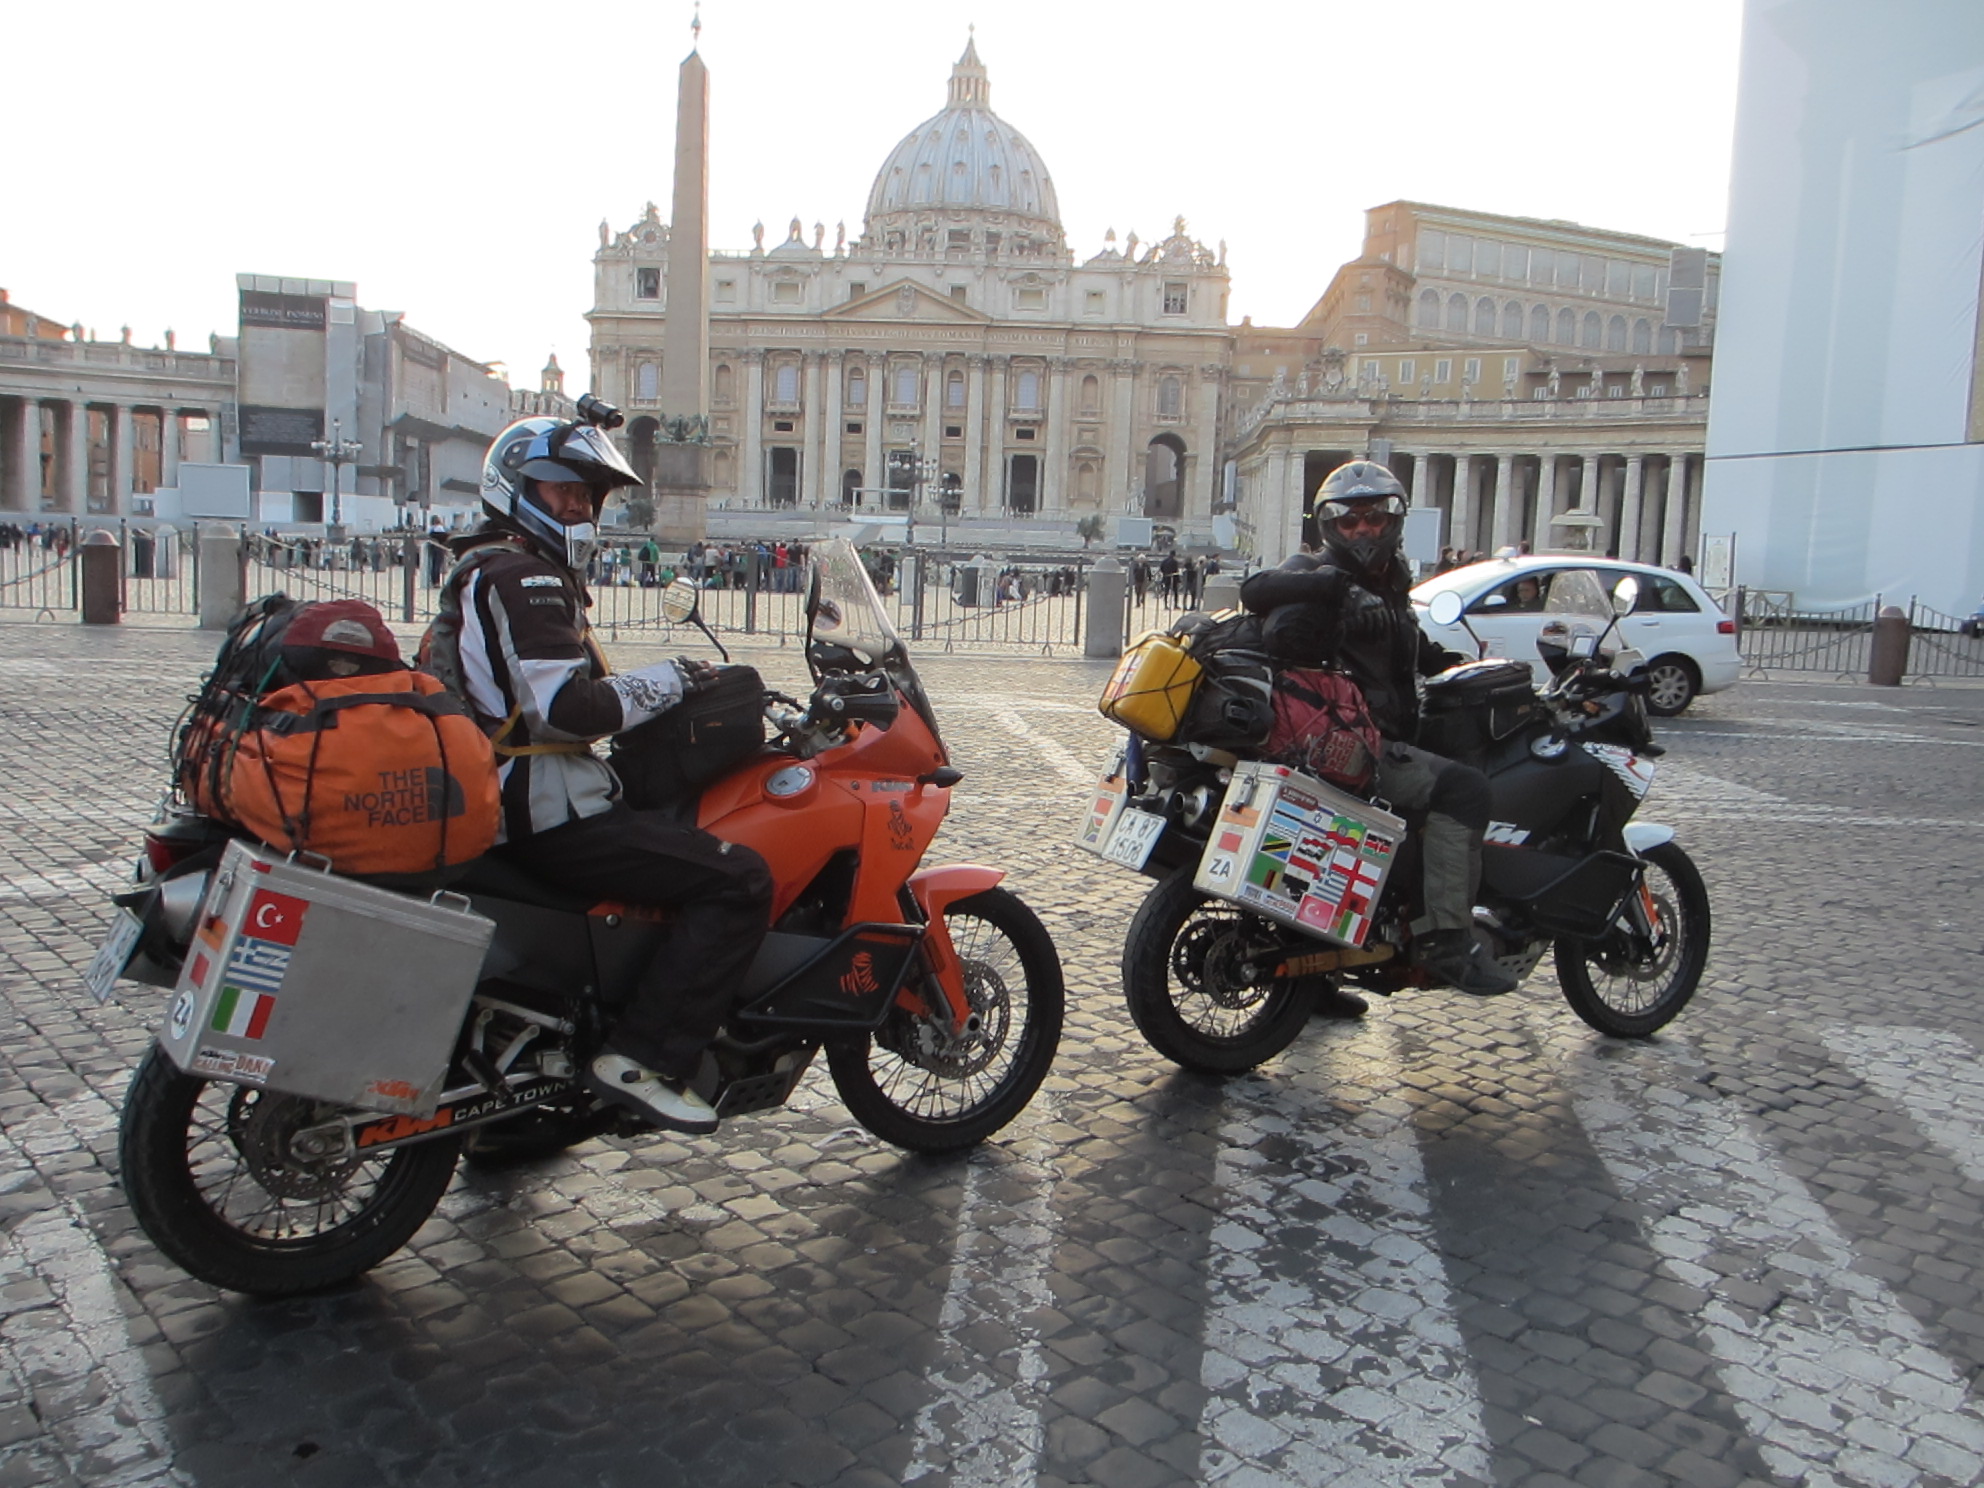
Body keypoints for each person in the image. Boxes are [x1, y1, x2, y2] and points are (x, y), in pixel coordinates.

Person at [424, 408, 773, 1134]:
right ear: (517, 487)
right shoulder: (527, 578)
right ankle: (644, 1058)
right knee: (738, 878)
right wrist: (674, 680)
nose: (578, 506)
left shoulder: (485, 565)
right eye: (562, 490)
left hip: (502, 805)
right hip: (545, 811)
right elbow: (567, 711)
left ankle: (514, 1124)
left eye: (588, 493)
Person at [1241, 459, 1519, 1000]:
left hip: (1380, 733)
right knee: (1464, 789)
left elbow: (1403, 646)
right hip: (1349, 743)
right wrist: (1337, 591)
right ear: (1330, 526)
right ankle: (1447, 941)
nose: (1363, 530)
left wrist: (1456, 665)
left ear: (1392, 520)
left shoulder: (1392, 580)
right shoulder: (1316, 569)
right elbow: (1256, 588)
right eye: (1349, 521)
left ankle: (1317, 980)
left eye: (1373, 518)